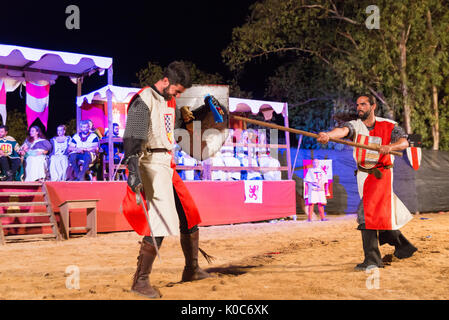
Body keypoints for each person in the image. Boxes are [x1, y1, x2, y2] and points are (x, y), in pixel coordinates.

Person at [123, 61, 210, 299]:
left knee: (189, 212)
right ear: (165, 81)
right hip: (149, 162)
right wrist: (132, 168)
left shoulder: (170, 101)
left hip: (167, 164)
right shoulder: (144, 99)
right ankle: (140, 281)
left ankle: (191, 269)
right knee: (160, 220)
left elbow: (173, 128)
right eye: (177, 90)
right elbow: (132, 136)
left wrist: (198, 114)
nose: (179, 95)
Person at [317, 94, 417, 271]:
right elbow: (342, 131)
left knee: (366, 215)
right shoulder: (356, 126)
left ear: (373, 106)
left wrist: (390, 147)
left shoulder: (389, 125)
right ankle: (404, 246)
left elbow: (404, 142)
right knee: (379, 214)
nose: (359, 108)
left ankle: (372, 260)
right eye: (357, 105)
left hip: (382, 176)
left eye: (363, 104)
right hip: (363, 175)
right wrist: (328, 135)